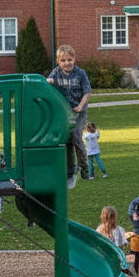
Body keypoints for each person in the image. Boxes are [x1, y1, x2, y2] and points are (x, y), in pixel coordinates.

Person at [46, 44, 91, 189]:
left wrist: (80, 106)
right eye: (63, 60)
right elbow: (47, 83)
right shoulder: (56, 73)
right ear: (58, 61)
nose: (67, 63)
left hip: (78, 111)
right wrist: (48, 82)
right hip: (64, 113)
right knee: (66, 140)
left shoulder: (80, 73)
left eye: (70, 60)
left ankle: (84, 166)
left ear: (74, 59)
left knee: (77, 137)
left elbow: (87, 92)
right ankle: (70, 170)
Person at [96, 207, 128, 277]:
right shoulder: (119, 230)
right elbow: (125, 247)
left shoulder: (99, 230)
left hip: (103, 263)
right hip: (115, 263)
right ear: (115, 217)